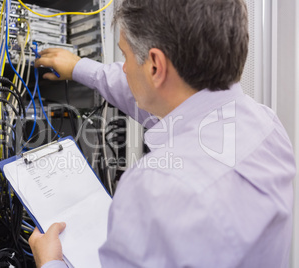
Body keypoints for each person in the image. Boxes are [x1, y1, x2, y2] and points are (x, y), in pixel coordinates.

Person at [28, 0, 296, 267]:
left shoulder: (157, 189)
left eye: (125, 56)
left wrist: (50, 262)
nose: (124, 68)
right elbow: (156, 98)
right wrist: (79, 67)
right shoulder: (267, 126)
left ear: (155, 66)